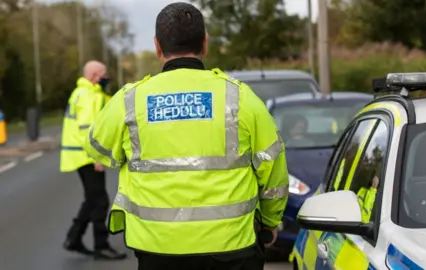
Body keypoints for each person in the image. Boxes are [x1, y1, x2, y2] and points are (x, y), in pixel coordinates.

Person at [83, 2, 289, 270]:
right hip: (232, 247)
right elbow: (273, 168)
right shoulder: (240, 98)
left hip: (156, 248)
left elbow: (96, 148)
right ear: (205, 43)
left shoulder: (130, 100)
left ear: (157, 46)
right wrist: (271, 221)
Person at [60, 60, 127, 260]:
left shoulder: (85, 93)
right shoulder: (88, 96)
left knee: (92, 198)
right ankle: (101, 245)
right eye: (104, 75)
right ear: (94, 76)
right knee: (100, 200)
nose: (106, 78)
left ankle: (74, 238)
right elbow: (88, 129)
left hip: (77, 154)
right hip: (85, 155)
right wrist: (95, 156)